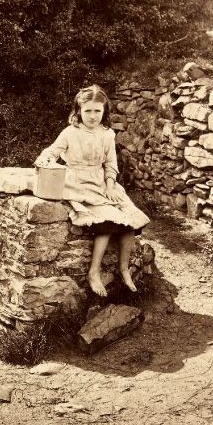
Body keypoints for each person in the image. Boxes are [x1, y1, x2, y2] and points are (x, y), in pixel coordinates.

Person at [34, 84, 150, 297]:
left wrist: (109, 184)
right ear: (79, 110)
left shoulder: (107, 134)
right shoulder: (70, 132)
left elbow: (110, 163)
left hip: (100, 182)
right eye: (88, 110)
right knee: (106, 220)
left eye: (98, 110)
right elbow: (52, 152)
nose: (93, 116)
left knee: (130, 219)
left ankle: (124, 269)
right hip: (76, 183)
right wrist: (45, 159)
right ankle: (94, 272)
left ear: (104, 111)